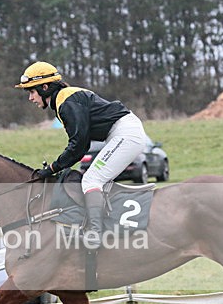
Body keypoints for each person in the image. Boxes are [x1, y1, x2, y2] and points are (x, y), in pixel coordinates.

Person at [15, 60, 151, 249]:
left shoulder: (65, 102)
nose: (30, 98)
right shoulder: (64, 100)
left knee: (91, 180)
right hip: (122, 132)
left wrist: (54, 167)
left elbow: (79, 145)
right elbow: (80, 144)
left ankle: (95, 234)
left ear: (45, 87)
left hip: (125, 133)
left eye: (31, 91)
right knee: (96, 179)